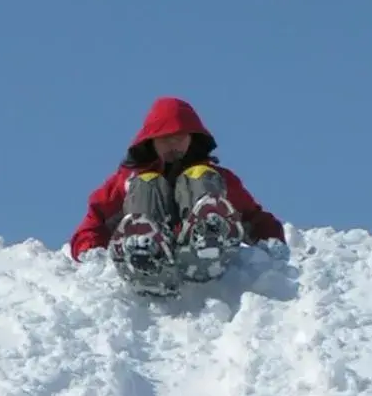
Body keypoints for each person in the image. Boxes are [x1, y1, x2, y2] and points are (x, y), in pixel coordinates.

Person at [70, 96, 286, 289]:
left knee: (200, 174)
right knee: (147, 181)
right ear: (151, 141)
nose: (173, 144)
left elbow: (252, 216)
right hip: (148, 244)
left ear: (192, 138)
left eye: (180, 137)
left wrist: (270, 239)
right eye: (165, 138)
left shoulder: (217, 178)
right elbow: (94, 220)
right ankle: (144, 243)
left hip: (205, 244)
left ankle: (207, 231)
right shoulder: (128, 180)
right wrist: (91, 250)